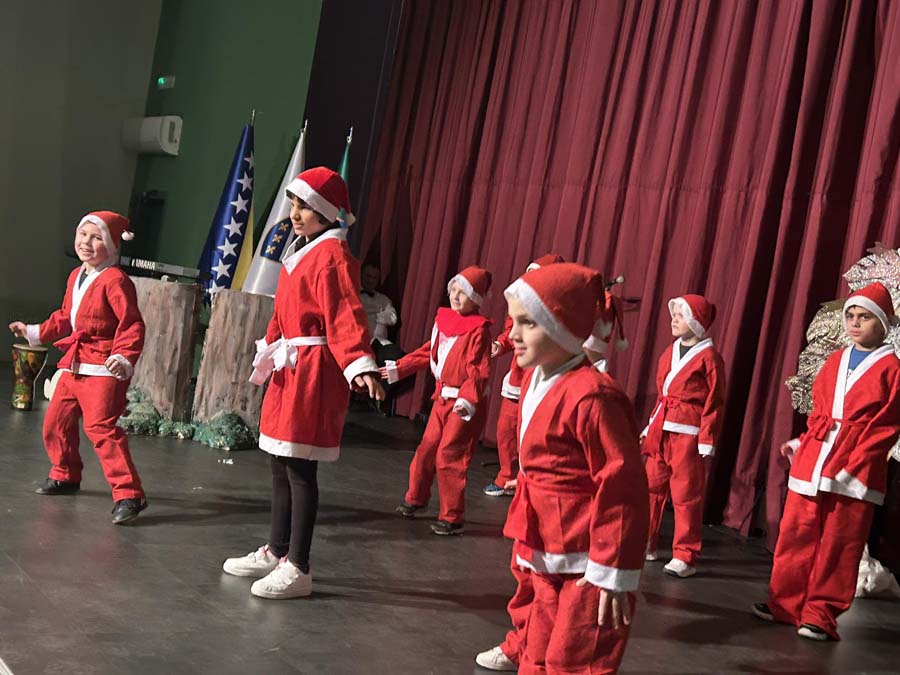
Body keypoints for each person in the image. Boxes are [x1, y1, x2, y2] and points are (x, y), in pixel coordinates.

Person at [476, 262, 648, 674]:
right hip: (546, 547)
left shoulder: (593, 396)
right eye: (514, 322)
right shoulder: (536, 380)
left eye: (528, 323)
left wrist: (612, 570)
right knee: (536, 654)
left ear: (562, 326)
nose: (514, 334)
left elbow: (622, 486)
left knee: (575, 660)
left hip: (586, 564)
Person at [222, 167, 384, 599]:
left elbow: (345, 313)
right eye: (293, 204)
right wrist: (269, 347)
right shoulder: (302, 249)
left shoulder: (333, 256)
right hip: (290, 366)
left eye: (305, 207)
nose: (295, 214)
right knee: (279, 460)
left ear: (327, 213)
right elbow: (283, 310)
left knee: (299, 466)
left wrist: (359, 363)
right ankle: (277, 551)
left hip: (313, 370)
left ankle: (299, 565)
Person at [753, 282, 900, 641]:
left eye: (864, 317)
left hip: (855, 469)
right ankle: (784, 603)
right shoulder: (836, 360)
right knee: (796, 533)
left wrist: (859, 463)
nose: (855, 323)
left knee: (841, 542)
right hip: (815, 459)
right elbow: (822, 412)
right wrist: (802, 442)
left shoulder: (892, 369)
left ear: (883, 323)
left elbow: (887, 425)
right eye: (851, 316)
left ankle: (820, 614)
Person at [9, 211, 147, 524]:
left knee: (101, 429)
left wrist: (123, 356)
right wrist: (35, 331)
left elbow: (131, 323)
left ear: (112, 245)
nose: (86, 242)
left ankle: (129, 494)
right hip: (74, 363)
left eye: (96, 237)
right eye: (83, 235)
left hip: (102, 367)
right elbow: (65, 316)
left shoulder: (116, 281)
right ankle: (65, 473)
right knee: (55, 422)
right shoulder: (76, 276)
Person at [382, 265, 493, 535]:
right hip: (441, 399)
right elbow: (428, 353)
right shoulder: (443, 320)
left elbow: (478, 371)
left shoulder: (478, 330)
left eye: (463, 292)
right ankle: (416, 498)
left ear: (475, 298)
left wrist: (466, 401)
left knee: (449, 455)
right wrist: (400, 367)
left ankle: (452, 517)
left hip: (464, 403)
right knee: (427, 449)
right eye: (453, 290)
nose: (456, 296)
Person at [640, 294, 726, 578]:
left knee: (685, 494)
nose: (673, 320)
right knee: (651, 488)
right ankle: (646, 542)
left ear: (695, 322)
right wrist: (649, 427)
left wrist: (707, 438)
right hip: (661, 431)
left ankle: (685, 555)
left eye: (680, 316)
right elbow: (662, 395)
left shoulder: (709, 358)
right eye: (674, 315)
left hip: (687, 435)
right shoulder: (670, 351)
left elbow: (715, 401)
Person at [485, 254, 564, 498]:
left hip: (542, 375)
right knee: (506, 428)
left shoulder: (558, 310)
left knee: (532, 432)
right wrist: (500, 344)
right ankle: (506, 475)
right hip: (519, 376)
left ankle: (529, 480)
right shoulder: (521, 304)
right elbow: (512, 332)